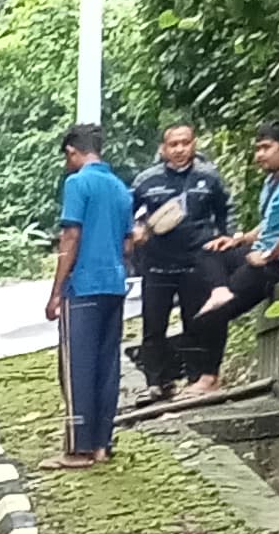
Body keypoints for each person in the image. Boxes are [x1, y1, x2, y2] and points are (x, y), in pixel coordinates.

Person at [47, 123, 135, 467]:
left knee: (76, 368)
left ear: (72, 152)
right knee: (106, 366)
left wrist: (56, 291)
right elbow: (128, 244)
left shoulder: (77, 183)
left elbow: (71, 236)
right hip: (114, 285)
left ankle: (78, 448)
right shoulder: (120, 189)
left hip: (83, 285)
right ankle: (102, 443)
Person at [128, 121, 234, 399]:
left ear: (193, 144)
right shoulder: (146, 181)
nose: (179, 149)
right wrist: (134, 230)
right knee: (153, 325)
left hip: (196, 264)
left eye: (185, 143)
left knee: (197, 323)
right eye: (173, 144)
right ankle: (156, 383)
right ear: (163, 149)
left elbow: (225, 211)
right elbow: (125, 213)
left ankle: (197, 378)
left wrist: (226, 240)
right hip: (157, 265)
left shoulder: (209, 177)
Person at [199, 118, 279, 325]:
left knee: (211, 317)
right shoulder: (274, 181)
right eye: (257, 149)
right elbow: (269, 224)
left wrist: (268, 256)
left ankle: (168, 352)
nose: (259, 155)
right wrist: (239, 240)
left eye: (265, 148)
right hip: (266, 254)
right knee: (210, 252)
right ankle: (220, 291)